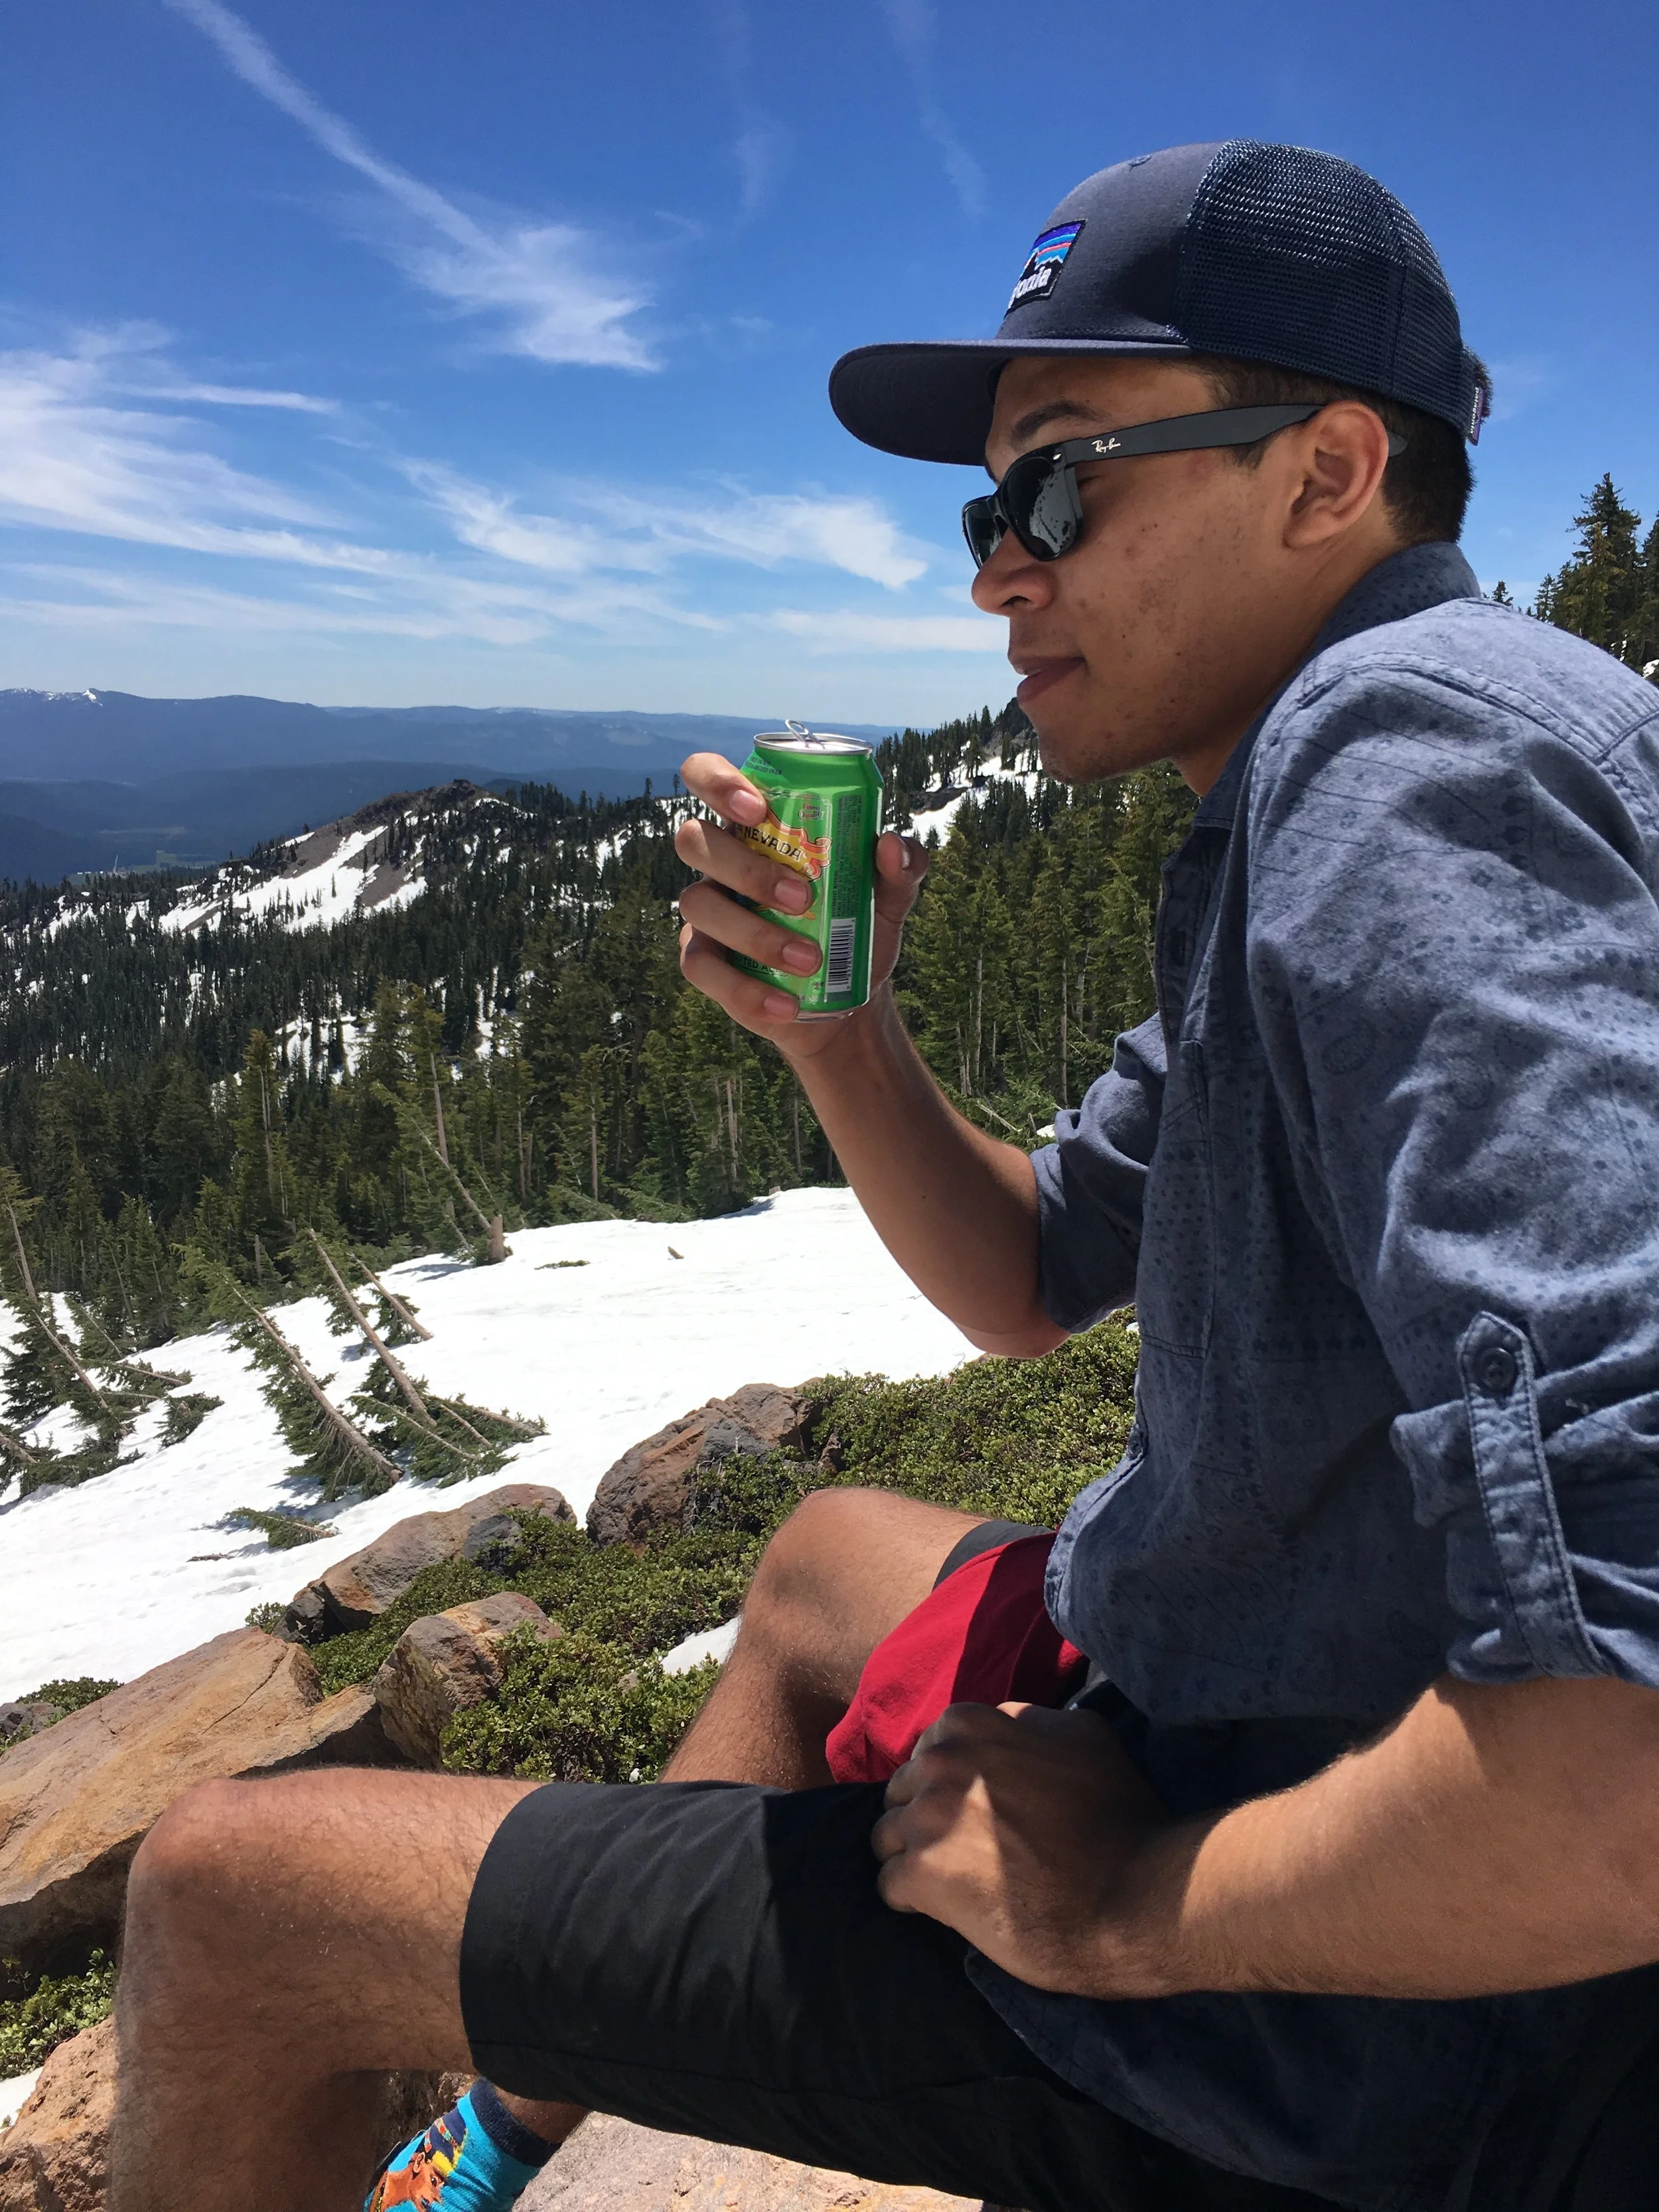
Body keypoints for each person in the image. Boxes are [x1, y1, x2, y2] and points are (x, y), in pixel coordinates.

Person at [109, 141, 1659, 2212]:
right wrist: (835, 1034)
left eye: (1057, 486)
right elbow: (1034, 1277)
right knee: (829, 1548)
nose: (992, 570)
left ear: (1323, 470)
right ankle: (513, 2133)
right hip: (1259, 1713)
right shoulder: (1336, 776)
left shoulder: (1405, 781)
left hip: (1330, 2034)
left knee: (224, 1895)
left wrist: (1126, 1909)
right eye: (979, 507)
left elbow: (1629, 1766)